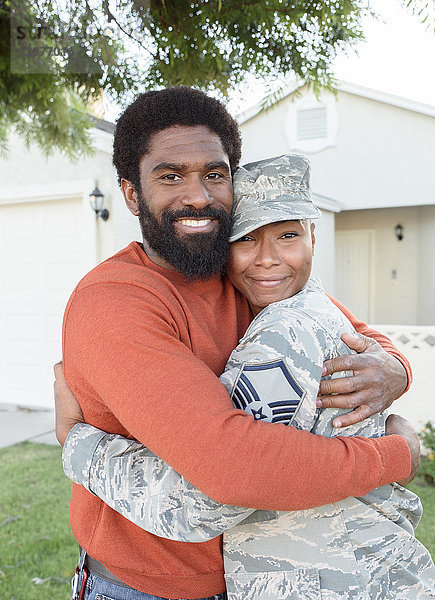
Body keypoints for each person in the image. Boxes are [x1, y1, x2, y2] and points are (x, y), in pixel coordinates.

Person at [57, 86, 418, 600]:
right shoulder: (116, 301)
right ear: (132, 193)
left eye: (214, 173)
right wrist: (397, 455)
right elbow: (232, 468)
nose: (198, 196)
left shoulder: (236, 270)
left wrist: (396, 369)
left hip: (256, 575)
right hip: (149, 586)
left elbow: (346, 326)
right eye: (170, 175)